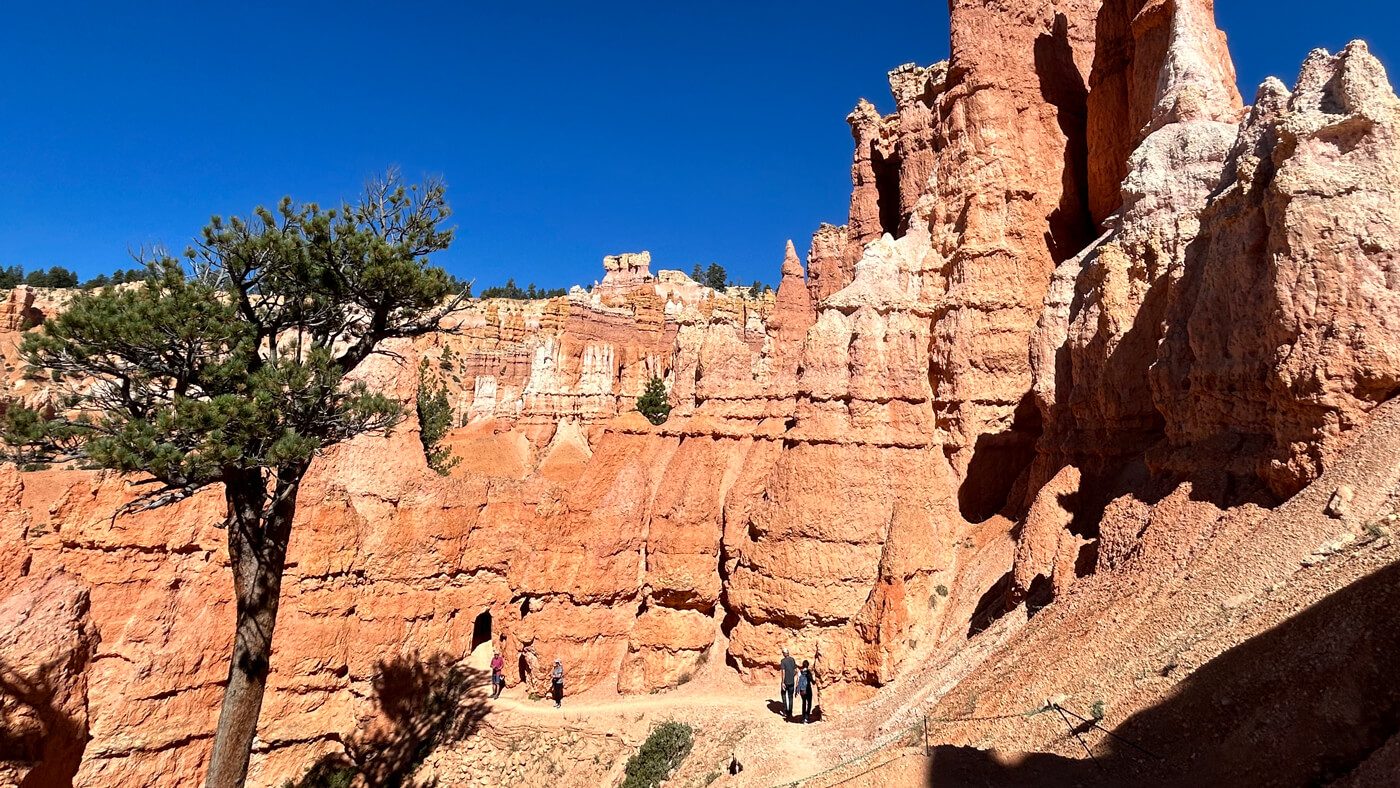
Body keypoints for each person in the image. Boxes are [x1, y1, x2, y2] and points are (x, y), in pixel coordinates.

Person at [778, 647, 798, 720]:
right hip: (791, 682)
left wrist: (782, 682)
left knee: (783, 695)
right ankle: (790, 713)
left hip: (786, 682)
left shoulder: (783, 661)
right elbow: (796, 670)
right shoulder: (792, 659)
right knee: (790, 697)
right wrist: (792, 676)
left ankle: (786, 710)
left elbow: (783, 672)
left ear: (784, 653)